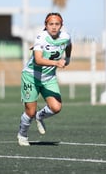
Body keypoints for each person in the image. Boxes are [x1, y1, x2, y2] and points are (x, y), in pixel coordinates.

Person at [17, 12, 72, 146]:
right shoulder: (41, 38)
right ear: (46, 25)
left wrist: (68, 58)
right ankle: (22, 134)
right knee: (30, 111)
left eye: (57, 24)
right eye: (51, 24)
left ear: (61, 25)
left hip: (49, 78)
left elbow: (69, 45)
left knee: (56, 107)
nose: (54, 27)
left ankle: (40, 116)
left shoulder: (65, 37)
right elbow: (38, 60)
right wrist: (56, 63)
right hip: (31, 77)